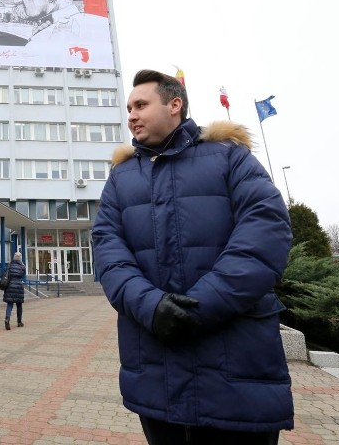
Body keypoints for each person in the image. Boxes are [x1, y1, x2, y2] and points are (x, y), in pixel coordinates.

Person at [92, 70, 293, 445]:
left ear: (174, 105)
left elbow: (264, 234)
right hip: (156, 372)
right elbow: (107, 250)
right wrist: (151, 307)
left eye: (140, 105)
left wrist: (199, 307)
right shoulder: (121, 179)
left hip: (237, 371)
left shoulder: (229, 158)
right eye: (128, 108)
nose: (131, 115)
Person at [2, 251, 27, 330]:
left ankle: (7, 318)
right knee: (19, 305)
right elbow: (23, 275)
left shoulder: (9, 265)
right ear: (20, 259)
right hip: (19, 285)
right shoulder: (22, 266)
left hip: (10, 285)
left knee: (9, 304)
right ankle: (19, 322)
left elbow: (5, 273)